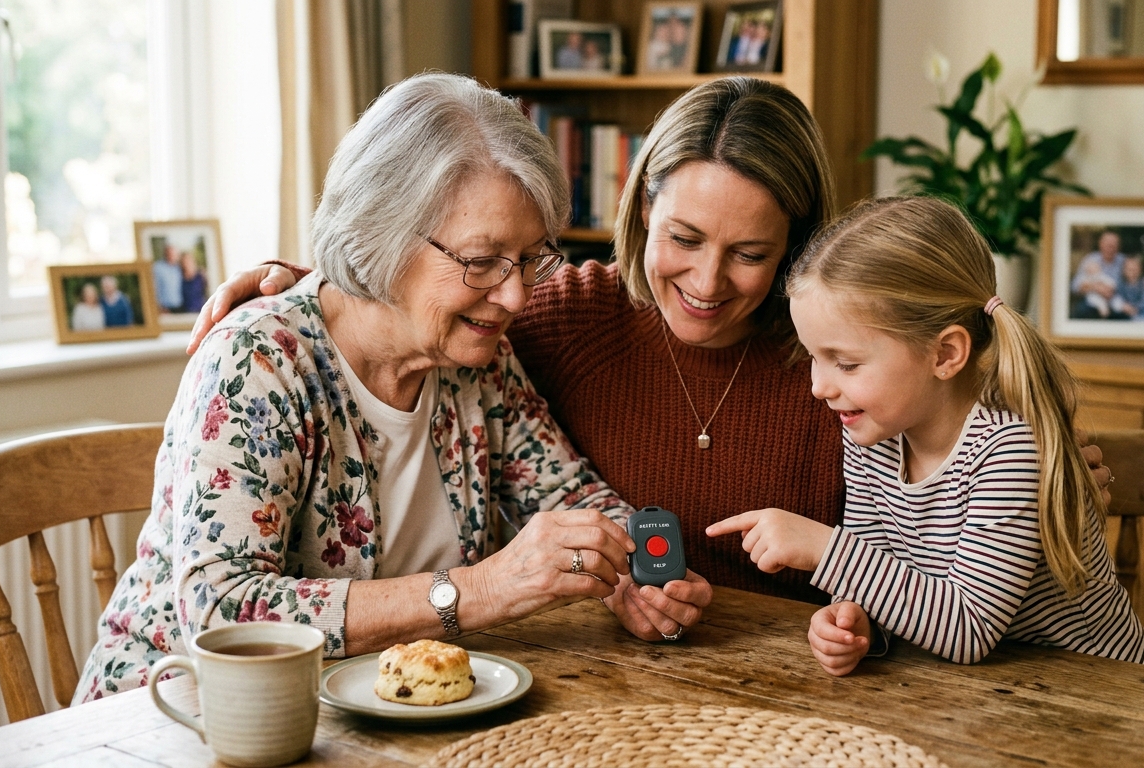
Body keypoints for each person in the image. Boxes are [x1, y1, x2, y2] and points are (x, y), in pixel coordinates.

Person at [191, 77, 1114, 623]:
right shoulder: (532, 320)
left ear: (797, 252)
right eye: (684, 238)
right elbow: (393, 289)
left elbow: (580, 504)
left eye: (752, 254)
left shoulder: (854, 361)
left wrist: (628, 579)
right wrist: (301, 283)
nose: (709, 282)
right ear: (638, 214)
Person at [73, 73, 713, 703]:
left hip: (370, 716)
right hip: (176, 716)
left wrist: (632, 571)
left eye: (528, 258)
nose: (516, 294)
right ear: (382, 232)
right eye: (481, 260)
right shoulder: (261, 361)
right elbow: (223, 612)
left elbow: (566, 493)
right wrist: (485, 588)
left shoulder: (475, 357)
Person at [708, 197, 1144, 676]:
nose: (819, 386)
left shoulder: (1009, 450)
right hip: (993, 695)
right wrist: (855, 621)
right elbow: (882, 575)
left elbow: (967, 628)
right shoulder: (873, 434)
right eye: (814, 357)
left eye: (847, 363)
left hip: (1101, 694)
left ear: (945, 353)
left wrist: (823, 548)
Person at [1070, 231, 1125, 319]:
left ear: (1119, 246)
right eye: (1107, 244)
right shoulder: (1090, 259)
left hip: (1116, 299)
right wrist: (1097, 288)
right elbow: (1075, 286)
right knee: (1080, 311)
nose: (1110, 248)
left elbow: (1135, 280)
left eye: (1113, 245)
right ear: (1100, 244)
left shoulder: (1124, 261)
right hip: (1093, 299)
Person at [1110, 255, 1144, 322]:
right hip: (1127, 312)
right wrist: (1122, 305)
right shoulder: (1121, 283)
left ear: (1141, 270)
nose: (1132, 272)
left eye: (1135, 269)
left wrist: (1135, 309)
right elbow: (1116, 296)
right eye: (1129, 269)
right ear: (1123, 270)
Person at [153, 243, 184, 313]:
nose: (172, 256)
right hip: (164, 308)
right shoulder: (157, 267)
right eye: (169, 253)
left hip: (179, 307)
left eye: (174, 254)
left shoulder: (179, 268)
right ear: (165, 254)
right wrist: (159, 306)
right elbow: (154, 288)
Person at [179, 248, 208, 314]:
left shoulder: (201, 276)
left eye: (188, 260)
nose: (186, 263)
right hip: (186, 312)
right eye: (184, 261)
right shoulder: (180, 278)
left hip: (200, 310)